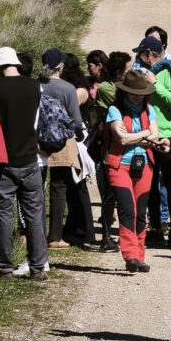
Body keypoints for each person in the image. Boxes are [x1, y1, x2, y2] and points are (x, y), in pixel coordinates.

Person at [0, 46, 48, 281]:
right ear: (16, 63)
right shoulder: (35, 86)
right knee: (34, 215)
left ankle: (5, 267)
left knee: (4, 217)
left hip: (3, 163)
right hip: (31, 160)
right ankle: (38, 267)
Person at [105, 70, 168, 273]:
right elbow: (121, 139)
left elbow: (155, 136)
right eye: (134, 93)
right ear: (125, 91)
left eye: (141, 93)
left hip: (144, 166)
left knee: (141, 213)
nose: (137, 97)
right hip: (119, 166)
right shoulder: (114, 109)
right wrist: (145, 134)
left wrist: (136, 136)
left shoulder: (149, 109)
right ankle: (130, 255)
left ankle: (140, 256)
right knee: (127, 209)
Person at [134, 36, 171, 249]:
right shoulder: (140, 72)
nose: (138, 58)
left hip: (167, 137)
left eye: (140, 53)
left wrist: (155, 85)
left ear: (148, 54)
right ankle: (155, 228)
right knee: (150, 184)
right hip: (147, 136)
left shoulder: (167, 72)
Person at [39, 48, 85, 250]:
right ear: (61, 66)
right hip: (61, 141)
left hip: (37, 142)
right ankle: (55, 236)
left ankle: (33, 233)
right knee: (58, 188)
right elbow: (76, 120)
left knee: (36, 188)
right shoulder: (68, 88)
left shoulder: (35, 85)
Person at [93, 51, 134, 253]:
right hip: (109, 145)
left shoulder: (120, 86)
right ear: (118, 72)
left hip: (125, 146)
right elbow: (126, 105)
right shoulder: (107, 89)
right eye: (128, 69)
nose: (131, 72)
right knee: (110, 194)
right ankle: (107, 236)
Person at [58, 53, 97, 248]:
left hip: (78, 141)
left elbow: (67, 108)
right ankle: (75, 229)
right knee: (71, 187)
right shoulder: (74, 87)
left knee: (78, 186)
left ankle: (87, 232)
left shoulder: (80, 90)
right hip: (70, 138)